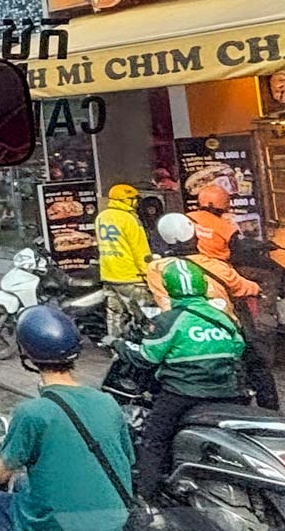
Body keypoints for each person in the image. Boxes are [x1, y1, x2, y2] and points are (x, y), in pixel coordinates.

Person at [0, 306, 133, 531]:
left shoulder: (33, 412)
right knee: (22, 483)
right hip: (111, 524)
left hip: (57, 529)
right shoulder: (108, 402)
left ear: (26, 353)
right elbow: (125, 460)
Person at [123, 259, 249, 502]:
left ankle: (145, 497)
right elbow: (238, 348)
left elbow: (148, 357)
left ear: (168, 288)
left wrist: (119, 345)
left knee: (154, 439)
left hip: (182, 393)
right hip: (227, 392)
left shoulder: (169, 320)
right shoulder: (223, 317)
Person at [143, 213, 275, 408]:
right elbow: (243, 287)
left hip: (180, 332)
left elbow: (161, 299)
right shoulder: (218, 266)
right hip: (223, 329)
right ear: (195, 237)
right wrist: (257, 289)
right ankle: (270, 409)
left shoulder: (156, 268)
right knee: (257, 364)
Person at [94, 183, 153, 341]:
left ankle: (115, 344)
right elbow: (140, 249)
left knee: (114, 314)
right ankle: (149, 345)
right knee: (143, 313)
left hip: (108, 274)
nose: (137, 203)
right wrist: (148, 273)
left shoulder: (102, 217)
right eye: (134, 199)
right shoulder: (129, 219)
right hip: (130, 276)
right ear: (126, 199)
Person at [188, 183, 238, 262]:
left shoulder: (186, 218)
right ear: (226, 205)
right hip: (217, 266)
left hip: (188, 263)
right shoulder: (227, 228)